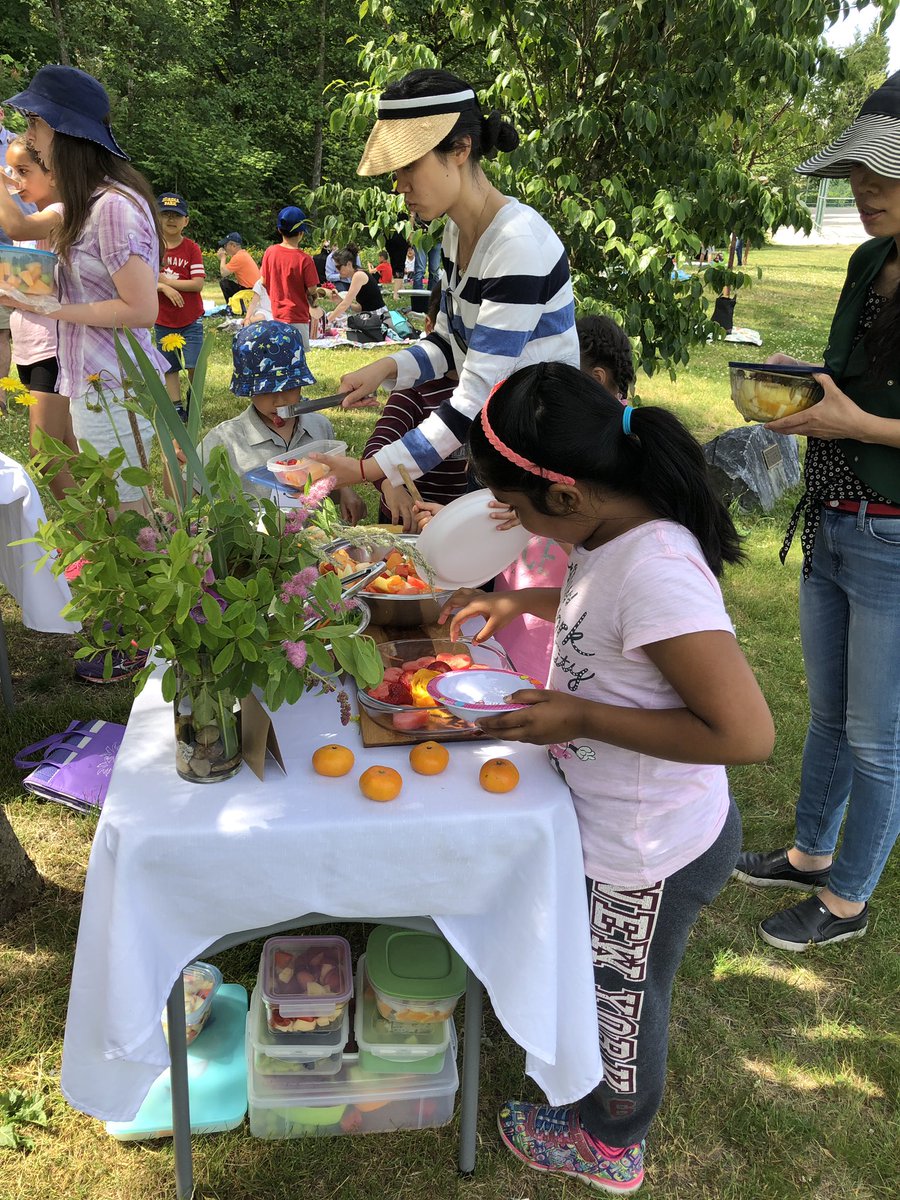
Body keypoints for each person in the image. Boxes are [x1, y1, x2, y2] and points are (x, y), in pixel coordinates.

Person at [438, 362, 773, 1193]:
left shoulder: (656, 566)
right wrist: (525, 607)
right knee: (602, 978)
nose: (509, 526)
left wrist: (579, 717)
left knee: (623, 997)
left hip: (652, 847)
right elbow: (604, 613)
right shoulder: (608, 534)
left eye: (513, 511)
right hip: (622, 827)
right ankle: (596, 1105)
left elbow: (746, 732)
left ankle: (612, 1139)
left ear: (565, 497)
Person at [733, 70, 900, 951]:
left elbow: (867, 410)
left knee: (879, 737)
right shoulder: (868, 260)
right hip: (835, 514)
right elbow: (849, 374)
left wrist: (854, 420)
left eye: (885, 173)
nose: (864, 189)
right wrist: (804, 385)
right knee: (830, 714)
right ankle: (809, 852)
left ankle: (848, 899)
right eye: (861, 172)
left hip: (893, 534)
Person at [308, 67, 579, 493]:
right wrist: (384, 368)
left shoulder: (516, 245)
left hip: (540, 466)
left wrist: (367, 470)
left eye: (408, 167)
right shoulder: (456, 233)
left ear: (459, 149)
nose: (399, 186)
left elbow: (475, 398)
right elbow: (450, 345)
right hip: (501, 450)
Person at [0, 65, 168, 518]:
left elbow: (140, 308)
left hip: (116, 385)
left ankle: (151, 587)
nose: (30, 136)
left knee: (129, 515)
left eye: (35, 123)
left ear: (62, 130)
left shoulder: (112, 207)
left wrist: (55, 309)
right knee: (114, 508)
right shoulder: (87, 201)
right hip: (94, 384)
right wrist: (29, 296)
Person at [200, 321, 364, 523]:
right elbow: (182, 492)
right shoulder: (226, 440)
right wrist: (171, 462)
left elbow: (331, 478)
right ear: (247, 391)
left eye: (289, 388)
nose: (279, 401)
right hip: (256, 549)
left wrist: (346, 491)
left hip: (316, 542)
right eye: (266, 391)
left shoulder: (320, 427)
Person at [4, 135, 77, 499]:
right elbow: (27, 287)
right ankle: (106, 525)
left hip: (53, 348)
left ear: (52, 174)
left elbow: (16, 225)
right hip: (29, 348)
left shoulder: (59, 213)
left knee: (44, 455)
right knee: (66, 446)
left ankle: (94, 539)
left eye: (23, 171)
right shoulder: (32, 222)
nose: (14, 179)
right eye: (10, 171)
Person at [362, 284, 466, 526]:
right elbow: (377, 445)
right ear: (431, 327)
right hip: (411, 522)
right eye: (458, 334)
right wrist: (389, 483)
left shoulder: (488, 388)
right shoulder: (414, 389)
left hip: (461, 521)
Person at [154, 192, 205, 420]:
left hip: (190, 318)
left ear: (186, 221)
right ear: (156, 218)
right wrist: (163, 287)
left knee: (194, 364)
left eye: (177, 215)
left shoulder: (191, 248)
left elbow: (197, 284)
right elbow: (143, 279)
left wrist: (166, 281)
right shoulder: (151, 247)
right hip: (163, 318)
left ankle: (193, 397)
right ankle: (176, 404)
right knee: (170, 366)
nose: (171, 220)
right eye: (165, 215)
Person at [260, 206, 319, 346]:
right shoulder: (305, 259)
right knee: (297, 359)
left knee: (279, 356)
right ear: (301, 233)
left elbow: (263, 281)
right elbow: (312, 289)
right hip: (298, 317)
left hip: (276, 315)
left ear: (280, 230)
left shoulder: (270, 252)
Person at [325, 248, 387, 327]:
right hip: (371, 316)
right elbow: (360, 308)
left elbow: (345, 304)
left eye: (338, 267)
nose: (337, 270)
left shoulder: (358, 275)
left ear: (349, 264)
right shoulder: (357, 274)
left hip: (376, 318)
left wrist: (327, 322)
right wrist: (340, 300)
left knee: (335, 321)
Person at [216, 232, 260, 302]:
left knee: (225, 284)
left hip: (250, 291)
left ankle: (233, 307)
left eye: (225, 246)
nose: (224, 248)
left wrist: (223, 258)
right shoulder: (242, 254)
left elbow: (223, 272)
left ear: (233, 245)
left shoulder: (238, 257)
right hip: (255, 290)